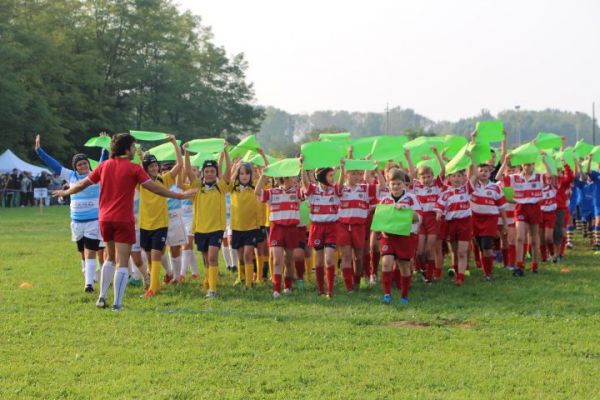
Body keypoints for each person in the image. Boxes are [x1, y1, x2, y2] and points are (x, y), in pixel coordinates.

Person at [53, 133, 195, 311]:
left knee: (109, 258)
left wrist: (65, 193)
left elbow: (82, 184)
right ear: (127, 149)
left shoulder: (104, 166)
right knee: (121, 261)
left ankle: (102, 297)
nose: (134, 150)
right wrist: (179, 195)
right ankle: (117, 303)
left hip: (104, 219)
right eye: (133, 147)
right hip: (123, 220)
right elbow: (155, 188)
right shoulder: (134, 168)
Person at [35, 134, 108, 292]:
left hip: (93, 221)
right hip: (76, 222)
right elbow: (54, 164)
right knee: (82, 252)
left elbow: (104, 161)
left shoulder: (96, 175)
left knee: (90, 252)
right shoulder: (71, 176)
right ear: (75, 167)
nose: (83, 166)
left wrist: (104, 146)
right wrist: (39, 151)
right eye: (80, 164)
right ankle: (89, 274)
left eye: (85, 163)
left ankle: (88, 284)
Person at [137, 136, 183, 297]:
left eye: (156, 165)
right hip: (144, 225)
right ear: (146, 168)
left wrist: (174, 144)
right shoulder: (140, 182)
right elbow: (135, 168)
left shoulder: (165, 180)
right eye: (152, 166)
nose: (155, 168)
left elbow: (180, 165)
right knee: (149, 257)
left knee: (156, 254)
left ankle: (153, 289)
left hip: (161, 224)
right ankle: (155, 282)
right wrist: (139, 155)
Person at [184, 142, 231, 298]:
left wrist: (225, 152)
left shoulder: (221, 186)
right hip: (200, 229)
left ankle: (213, 289)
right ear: (203, 173)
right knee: (205, 258)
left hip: (216, 228)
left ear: (216, 173)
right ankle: (208, 279)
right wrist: (186, 153)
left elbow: (229, 171)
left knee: (212, 257)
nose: (210, 173)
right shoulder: (197, 186)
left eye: (212, 171)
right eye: (207, 171)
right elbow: (188, 171)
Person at [496, 151, 552, 275]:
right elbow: (498, 178)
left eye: (530, 165)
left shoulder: (539, 176)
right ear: (522, 165)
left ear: (533, 165)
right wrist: (505, 162)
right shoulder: (515, 177)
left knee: (533, 239)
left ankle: (534, 264)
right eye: (525, 165)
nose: (528, 167)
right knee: (520, 237)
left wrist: (544, 160)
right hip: (520, 208)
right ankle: (519, 265)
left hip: (535, 208)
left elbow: (550, 176)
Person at [255, 170, 302, 298]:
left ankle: (288, 286)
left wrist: (301, 168)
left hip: (291, 229)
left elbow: (307, 190)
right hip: (277, 228)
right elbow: (257, 192)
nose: (294, 179)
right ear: (283, 178)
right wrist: (263, 175)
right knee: (277, 260)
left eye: (294, 177)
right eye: (291, 176)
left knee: (288, 260)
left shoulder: (297, 192)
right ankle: (276, 289)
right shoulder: (272, 192)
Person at [377, 168, 421, 304]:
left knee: (404, 266)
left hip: (405, 237)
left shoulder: (411, 198)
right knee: (386, 263)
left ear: (404, 184)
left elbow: (417, 218)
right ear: (388, 185)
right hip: (388, 237)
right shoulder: (384, 200)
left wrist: (406, 211)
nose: (396, 186)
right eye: (393, 184)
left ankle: (404, 295)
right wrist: (382, 228)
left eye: (399, 184)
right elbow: (380, 219)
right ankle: (387, 294)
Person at [300, 161, 342, 298]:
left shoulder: (335, 189)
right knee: (318, 261)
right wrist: (302, 167)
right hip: (316, 227)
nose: (333, 178)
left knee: (329, 260)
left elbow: (340, 183)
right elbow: (305, 183)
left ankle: (330, 290)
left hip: (332, 227)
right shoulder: (312, 189)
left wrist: (343, 167)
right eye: (330, 176)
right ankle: (320, 289)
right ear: (322, 176)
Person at [406, 147, 446, 282]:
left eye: (429, 176)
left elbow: (444, 170)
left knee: (430, 250)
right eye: (423, 177)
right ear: (419, 178)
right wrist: (408, 157)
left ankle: (430, 277)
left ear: (432, 176)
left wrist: (436, 154)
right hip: (420, 219)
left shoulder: (437, 184)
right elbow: (411, 172)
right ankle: (423, 271)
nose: (426, 179)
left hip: (433, 219)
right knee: (419, 251)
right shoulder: (415, 186)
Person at [229, 153, 268, 289]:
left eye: (246, 173)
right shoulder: (233, 188)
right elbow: (229, 180)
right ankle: (241, 277)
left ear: (251, 175)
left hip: (252, 228)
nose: (244, 176)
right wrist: (236, 167)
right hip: (237, 227)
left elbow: (266, 174)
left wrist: (263, 155)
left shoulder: (255, 189)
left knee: (247, 255)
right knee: (240, 257)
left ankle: (249, 284)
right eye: (241, 174)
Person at [435, 168, 474, 286]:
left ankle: (460, 277)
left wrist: (470, 158)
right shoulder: (445, 193)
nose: (456, 179)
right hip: (450, 223)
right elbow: (439, 206)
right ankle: (457, 271)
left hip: (465, 223)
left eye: (459, 176)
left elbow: (473, 174)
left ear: (463, 178)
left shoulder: (466, 188)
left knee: (462, 252)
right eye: (453, 176)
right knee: (455, 250)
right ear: (449, 178)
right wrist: (438, 213)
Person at [469, 163, 508, 280]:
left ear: (490, 173)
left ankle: (488, 274)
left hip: (490, 220)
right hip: (475, 219)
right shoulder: (472, 185)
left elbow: (502, 208)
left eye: (486, 171)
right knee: (480, 246)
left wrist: (505, 224)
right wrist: (472, 157)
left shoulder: (496, 188)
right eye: (481, 171)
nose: (484, 173)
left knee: (487, 246)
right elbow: (470, 173)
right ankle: (485, 270)